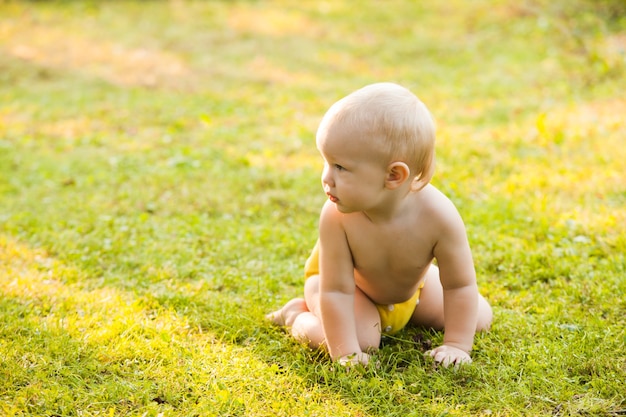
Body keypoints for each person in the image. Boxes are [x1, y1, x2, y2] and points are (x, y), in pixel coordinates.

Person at [267, 82, 492, 367]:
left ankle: (413, 320)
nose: (326, 177)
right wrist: (346, 352)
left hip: (413, 290)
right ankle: (296, 316)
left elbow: (460, 284)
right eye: (326, 163)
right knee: (362, 340)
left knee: (478, 317)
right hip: (340, 287)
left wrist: (457, 346)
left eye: (340, 167)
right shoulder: (337, 216)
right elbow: (336, 291)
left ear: (394, 176)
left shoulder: (440, 217)